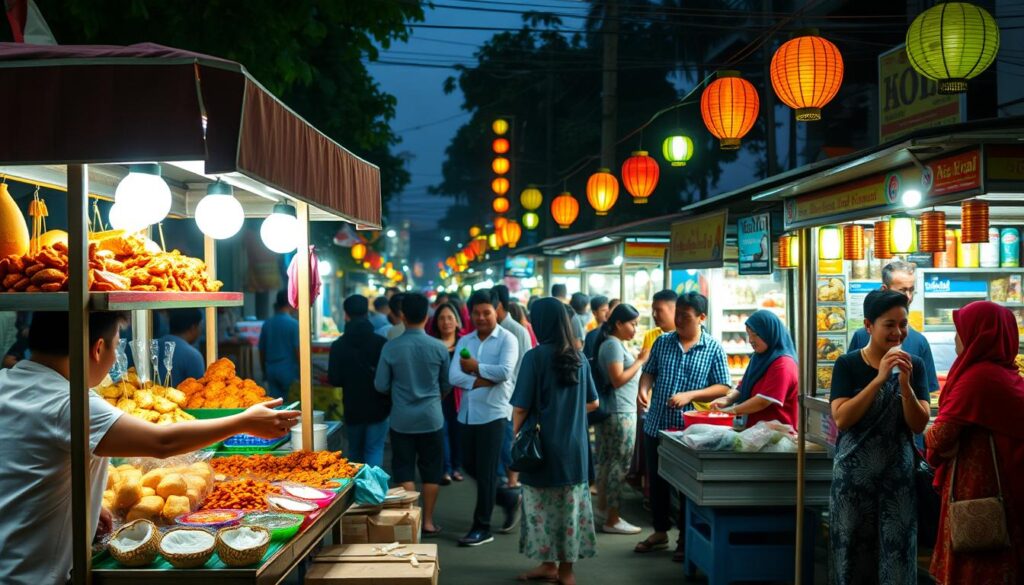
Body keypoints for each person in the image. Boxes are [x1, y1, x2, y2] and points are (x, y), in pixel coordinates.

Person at [0, 311, 299, 585]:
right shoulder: (70, 402)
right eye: (117, 346)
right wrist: (242, 421)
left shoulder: (5, 383)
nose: (115, 355)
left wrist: (88, 504)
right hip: (34, 577)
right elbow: (162, 441)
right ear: (98, 349)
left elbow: (25, 468)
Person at [829, 290, 930, 585]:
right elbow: (842, 418)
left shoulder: (915, 366)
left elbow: (918, 424)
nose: (898, 332)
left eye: (903, 324)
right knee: (852, 561)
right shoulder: (847, 365)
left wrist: (906, 386)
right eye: (889, 324)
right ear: (869, 326)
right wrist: (878, 380)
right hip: (853, 483)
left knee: (897, 562)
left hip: (898, 482)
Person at [925, 301, 1024, 584]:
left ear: (978, 335)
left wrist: (934, 438)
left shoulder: (978, 379)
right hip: (1004, 490)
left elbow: (939, 437)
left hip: (978, 490)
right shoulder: (1007, 375)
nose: (956, 338)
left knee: (974, 566)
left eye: (961, 330)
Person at [511, 297, 599, 585]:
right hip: (574, 448)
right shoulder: (579, 358)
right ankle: (565, 571)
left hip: (541, 447)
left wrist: (516, 435)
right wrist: (568, 412)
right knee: (570, 510)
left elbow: (521, 407)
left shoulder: (535, 357)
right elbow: (594, 403)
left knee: (541, 508)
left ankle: (548, 564)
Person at [636, 292, 730, 559]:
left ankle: (685, 540)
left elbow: (723, 386)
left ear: (702, 318)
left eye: (685, 317)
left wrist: (691, 395)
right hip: (656, 424)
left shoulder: (713, 348)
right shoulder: (663, 342)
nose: (678, 320)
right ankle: (660, 532)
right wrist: (643, 390)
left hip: (690, 432)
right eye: (676, 314)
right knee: (657, 483)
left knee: (687, 487)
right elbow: (649, 371)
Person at [374, 293, 451, 535]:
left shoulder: (391, 347)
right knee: (431, 471)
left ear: (402, 316)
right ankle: (428, 521)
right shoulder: (439, 348)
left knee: (404, 470)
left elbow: (380, 385)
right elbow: (447, 383)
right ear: (427, 316)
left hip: (401, 420)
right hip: (432, 418)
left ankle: (413, 521)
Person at [449, 290, 519, 547]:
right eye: (476, 313)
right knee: (468, 465)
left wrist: (476, 366)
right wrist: (480, 380)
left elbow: (505, 372)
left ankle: (482, 526)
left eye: (486, 312)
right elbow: (453, 376)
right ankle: (507, 497)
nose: (481, 317)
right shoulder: (465, 340)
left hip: (495, 413)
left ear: (497, 310)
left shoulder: (508, 339)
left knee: (487, 472)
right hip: (468, 413)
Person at [594, 303, 649, 534]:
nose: (635, 328)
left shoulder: (611, 344)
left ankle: (605, 511)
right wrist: (640, 361)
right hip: (620, 413)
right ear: (618, 323)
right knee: (619, 465)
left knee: (608, 463)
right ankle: (613, 519)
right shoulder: (613, 345)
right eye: (632, 323)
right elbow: (617, 379)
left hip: (616, 412)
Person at [848, 260, 939, 393]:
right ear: (885, 290)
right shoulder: (861, 337)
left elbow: (929, 394)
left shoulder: (919, 341)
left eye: (911, 290)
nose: (908, 297)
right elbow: (845, 398)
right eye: (902, 290)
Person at [328, 295, 390, 467]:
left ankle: (356, 491)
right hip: (379, 407)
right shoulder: (381, 343)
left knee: (354, 451)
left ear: (346, 314)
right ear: (366, 313)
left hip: (353, 406)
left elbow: (334, 379)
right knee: (374, 449)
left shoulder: (338, 345)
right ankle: (373, 491)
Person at [710, 310, 799, 428]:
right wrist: (728, 399)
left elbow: (763, 400)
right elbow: (744, 386)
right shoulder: (758, 357)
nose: (751, 339)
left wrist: (732, 410)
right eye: (748, 334)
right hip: (757, 432)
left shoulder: (783, 363)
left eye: (755, 334)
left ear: (769, 333)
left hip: (779, 435)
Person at [493, 285, 531, 508]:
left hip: (513, 398)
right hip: (501, 399)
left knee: (509, 444)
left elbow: (525, 366)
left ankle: (513, 485)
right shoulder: (495, 330)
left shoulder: (517, 330)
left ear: (498, 306)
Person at [430, 302, 465, 483]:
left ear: (457, 321)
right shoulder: (432, 345)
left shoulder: (464, 342)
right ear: (436, 322)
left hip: (460, 397)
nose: (446, 322)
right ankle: (446, 469)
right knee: (441, 432)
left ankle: (457, 467)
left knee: (458, 432)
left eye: (450, 318)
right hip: (438, 396)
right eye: (442, 318)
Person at [259, 290, 300, 399]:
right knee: (291, 404)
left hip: (271, 370)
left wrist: (264, 372)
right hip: (288, 371)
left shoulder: (267, 324)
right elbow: (298, 351)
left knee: (276, 405)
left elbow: (261, 351)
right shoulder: (294, 325)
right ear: (290, 303)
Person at [156, 308, 207, 387]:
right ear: (193, 327)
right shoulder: (193, 355)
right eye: (200, 326)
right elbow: (199, 390)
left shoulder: (155, 345)